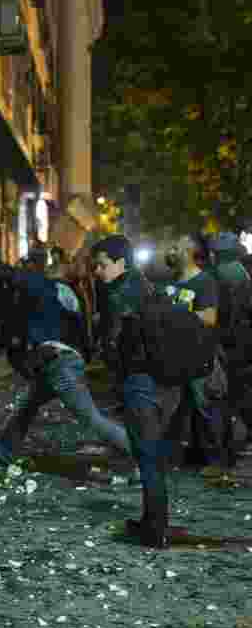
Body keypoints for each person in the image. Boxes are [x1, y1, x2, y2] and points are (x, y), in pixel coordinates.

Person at [0, 245, 130, 463]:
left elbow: (8, 273)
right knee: (25, 409)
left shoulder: (44, 285)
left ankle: (141, 452)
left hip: (58, 362)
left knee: (91, 418)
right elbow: (81, 332)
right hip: (56, 360)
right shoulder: (66, 292)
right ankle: (3, 453)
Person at [90, 234, 178, 548]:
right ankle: (152, 520)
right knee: (151, 454)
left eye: (101, 265)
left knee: (147, 456)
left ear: (121, 262)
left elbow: (113, 346)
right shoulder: (144, 285)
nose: (97, 272)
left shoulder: (119, 295)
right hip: (162, 382)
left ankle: (154, 530)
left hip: (141, 382)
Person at [160, 234, 224, 468]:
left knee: (206, 412)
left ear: (189, 252)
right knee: (176, 414)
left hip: (200, 359)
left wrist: (176, 315)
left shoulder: (204, 281)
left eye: (176, 247)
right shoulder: (173, 283)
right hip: (175, 360)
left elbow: (209, 316)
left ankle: (214, 465)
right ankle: (182, 461)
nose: (172, 250)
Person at [206, 232, 252, 465]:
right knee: (240, 394)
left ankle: (225, 453)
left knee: (224, 398)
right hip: (243, 343)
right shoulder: (241, 272)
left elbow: (222, 315)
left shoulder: (219, 275)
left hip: (229, 344)